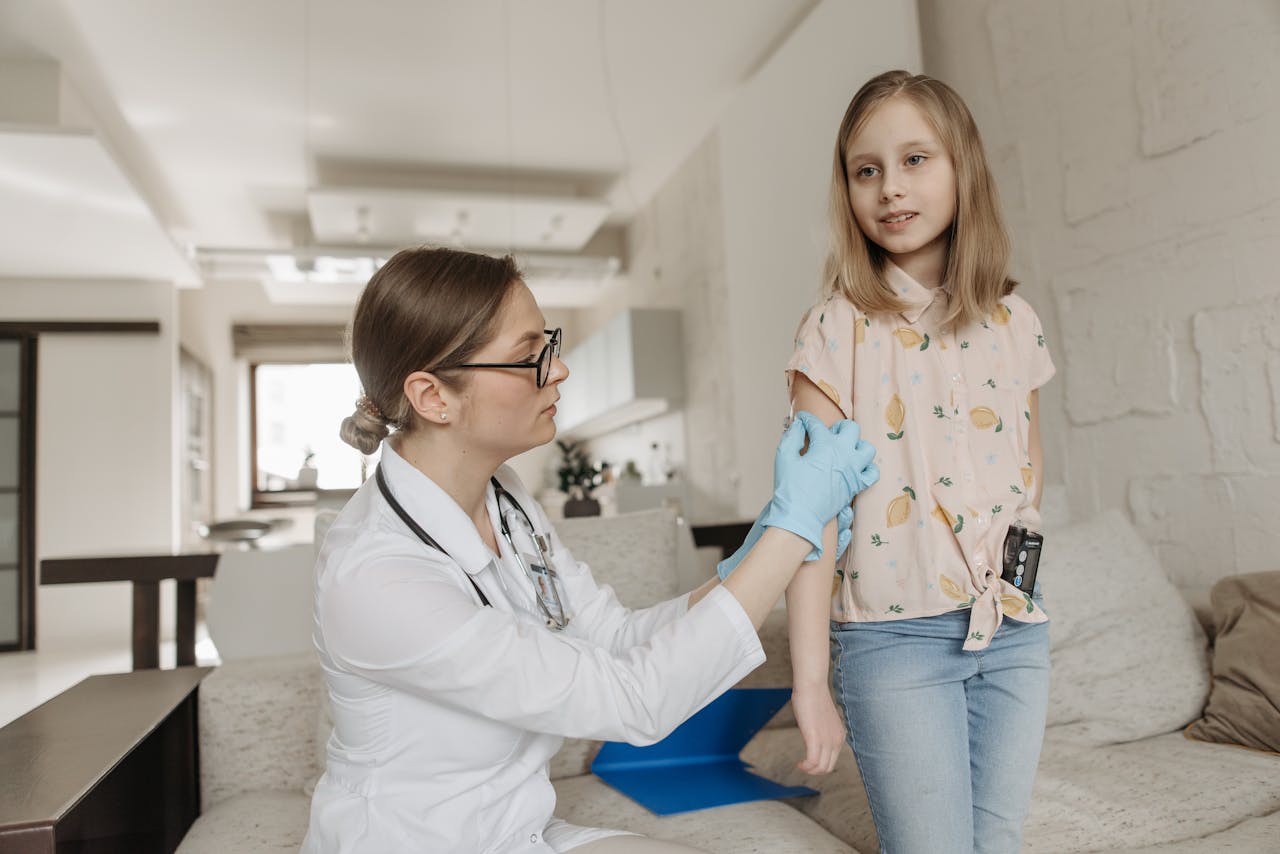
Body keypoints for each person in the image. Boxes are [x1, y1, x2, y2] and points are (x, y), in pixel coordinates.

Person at [300, 246, 880, 854]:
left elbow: (615, 640)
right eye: (529, 358)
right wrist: (793, 530)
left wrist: (764, 540)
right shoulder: (374, 576)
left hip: (511, 830)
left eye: (546, 345)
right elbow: (636, 699)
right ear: (433, 396)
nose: (559, 371)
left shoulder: (504, 499)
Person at [722, 70, 1056, 853]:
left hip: (1012, 632)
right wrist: (809, 684)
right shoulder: (833, 332)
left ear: (961, 168)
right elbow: (807, 522)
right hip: (892, 645)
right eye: (866, 169)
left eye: (915, 160)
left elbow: (1028, 468)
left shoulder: (1016, 321)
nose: (889, 188)